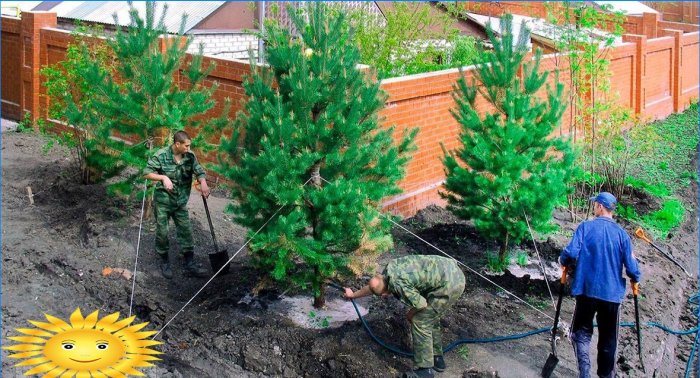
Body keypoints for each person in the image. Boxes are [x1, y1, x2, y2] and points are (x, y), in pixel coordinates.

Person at [560, 192, 642, 378]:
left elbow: (570, 253)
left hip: (587, 291)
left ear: (600, 206)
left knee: (580, 334)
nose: (593, 207)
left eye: (595, 204)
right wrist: (635, 278)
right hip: (611, 295)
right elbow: (632, 268)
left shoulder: (585, 227)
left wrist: (562, 260)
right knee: (608, 338)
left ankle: (585, 373)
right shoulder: (622, 235)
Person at [344, 255, 465, 378]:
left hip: (451, 284)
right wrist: (353, 295)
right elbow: (373, 287)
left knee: (421, 320)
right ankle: (437, 358)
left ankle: (425, 371)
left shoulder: (398, 285)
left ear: (385, 293)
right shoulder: (389, 270)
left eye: (383, 295)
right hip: (448, 270)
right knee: (430, 316)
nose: (384, 296)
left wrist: (411, 313)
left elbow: (421, 304)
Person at [144, 131, 210, 279]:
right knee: (162, 233)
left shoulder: (190, 156)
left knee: (186, 231)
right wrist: (163, 177)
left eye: (189, 145)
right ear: (177, 144)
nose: (188, 148)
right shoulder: (161, 155)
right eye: (186, 145)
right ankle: (164, 261)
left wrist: (204, 183)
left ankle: (190, 263)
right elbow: (146, 173)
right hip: (163, 202)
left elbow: (198, 170)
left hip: (180, 202)